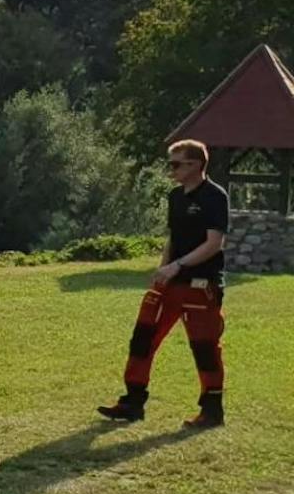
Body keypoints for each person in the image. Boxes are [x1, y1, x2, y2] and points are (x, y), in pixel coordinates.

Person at [98, 139, 229, 428]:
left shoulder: (215, 197)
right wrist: (162, 271)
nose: (171, 170)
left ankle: (211, 410)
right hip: (170, 283)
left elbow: (214, 244)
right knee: (142, 339)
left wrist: (177, 266)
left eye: (176, 164)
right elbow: (174, 238)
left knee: (204, 348)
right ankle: (132, 402)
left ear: (195, 165)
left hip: (200, 285)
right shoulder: (175, 197)